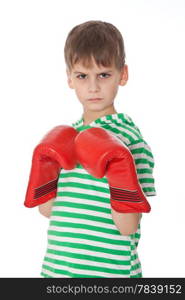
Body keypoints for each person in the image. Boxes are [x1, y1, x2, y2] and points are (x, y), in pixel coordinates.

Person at [38, 20, 156, 278]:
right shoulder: (66, 137)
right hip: (57, 272)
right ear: (70, 78)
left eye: (104, 75)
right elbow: (48, 211)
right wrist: (43, 168)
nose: (93, 87)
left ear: (122, 74)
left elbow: (128, 226)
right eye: (82, 76)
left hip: (110, 276)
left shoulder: (131, 140)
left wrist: (120, 169)